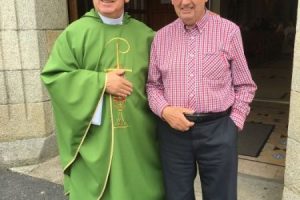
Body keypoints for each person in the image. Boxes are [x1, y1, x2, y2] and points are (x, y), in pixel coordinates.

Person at [41, 0, 164, 199]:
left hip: (140, 138)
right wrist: (101, 82)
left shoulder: (147, 36)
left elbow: (163, 83)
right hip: (96, 138)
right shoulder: (75, 34)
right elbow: (55, 77)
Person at [146, 0, 257, 200]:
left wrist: (233, 124)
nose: (185, 2)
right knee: (177, 196)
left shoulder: (228, 31)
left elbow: (245, 85)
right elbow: (153, 86)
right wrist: (164, 110)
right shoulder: (161, 37)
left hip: (218, 131)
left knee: (221, 196)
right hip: (173, 133)